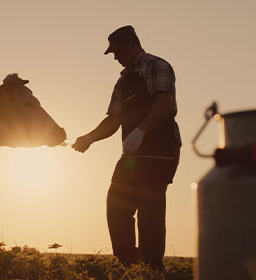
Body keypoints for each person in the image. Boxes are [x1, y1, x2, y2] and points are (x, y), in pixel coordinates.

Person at [72, 25, 181, 270]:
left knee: (149, 212)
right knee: (117, 206)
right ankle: (128, 267)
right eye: (113, 53)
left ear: (133, 44)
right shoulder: (123, 80)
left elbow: (164, 104)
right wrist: (89, 138)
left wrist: (140, 132)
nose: (116, 57)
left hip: (159, 151)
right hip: (132, 154)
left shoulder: (157, 66)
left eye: (118, 51)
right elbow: (113, 119)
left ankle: (151, 269)